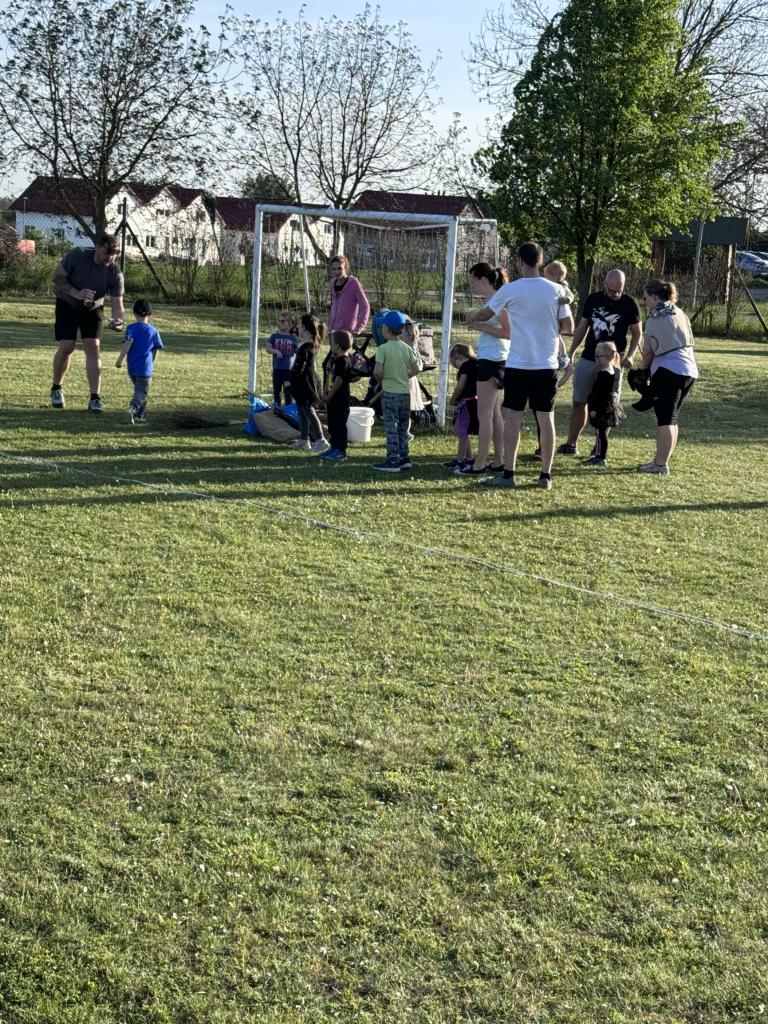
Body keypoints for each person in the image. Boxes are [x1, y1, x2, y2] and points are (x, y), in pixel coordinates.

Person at [469, 241, 572, 490]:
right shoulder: (557, 290)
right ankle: (545, 476)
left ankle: (509, 474)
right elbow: (568, 327)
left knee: (513, 418)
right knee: (546, 419)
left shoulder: (511, 289)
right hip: (546, 365)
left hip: (517, 364)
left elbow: (486, 313)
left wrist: (473, 317)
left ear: (519, 262)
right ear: (541, 262)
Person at [558, 269, 641, 455]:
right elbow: (582, 328)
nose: (615, 294)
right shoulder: (593, 299)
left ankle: (599, 448)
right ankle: (571, 444)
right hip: (589, 357)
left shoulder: (630, 303)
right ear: (605, 284)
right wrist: (571, 351)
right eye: (612, 291)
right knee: (579, 402)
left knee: (608, 405)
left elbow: (637, 333)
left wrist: (630, 355)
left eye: (619, 291)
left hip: (613, 361)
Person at [50, 233, 125, 412]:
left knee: (93, 346)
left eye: (115, 253)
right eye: (107, 252)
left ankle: (95, 398)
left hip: (93, 309)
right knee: (67, 346)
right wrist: (77, 293)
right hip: (67, 304)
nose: (111, 257)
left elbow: (118, 305)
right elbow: (57, 277)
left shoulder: (115, 273)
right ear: (97, 247)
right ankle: (56, 388)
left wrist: (119, 321)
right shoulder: (78, 255)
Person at [635, 279, 699, 474]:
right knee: (672, 417)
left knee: (665, 419)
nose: (644, 302)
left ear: (655, 297)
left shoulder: (655, 319)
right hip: (689, 369)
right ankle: (662, 460)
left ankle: (660, 464)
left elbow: (648, 352)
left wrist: (641, 369)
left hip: (668, 371)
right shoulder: (679, 312)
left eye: (646, 298)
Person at [460, 263, 509, 476]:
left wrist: (481, 327)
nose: (471, 285)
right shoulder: (491, 302)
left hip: (493, 361)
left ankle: (479, 463)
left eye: (472, 280)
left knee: (484, 414)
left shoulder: (499, 301)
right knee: (494, 414)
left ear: (483, 279)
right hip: (492, 358)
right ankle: (498, 460)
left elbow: (508, 332)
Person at [372, 310, 419, 472]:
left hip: (389, 393)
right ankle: (404, 458)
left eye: (382, 327)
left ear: (386, 329)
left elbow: (377, 371)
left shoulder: (382, 349)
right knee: (403, 427)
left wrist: (380, 379)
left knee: (391, 425)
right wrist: (405, 376)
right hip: (405, 394)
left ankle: (392, 459)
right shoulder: (406, 348)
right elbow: (416, 368)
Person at [114, 299, 164, 425]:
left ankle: (140, 416)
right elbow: (156, 349)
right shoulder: (153, 331)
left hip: (132, 367)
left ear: (134, 313)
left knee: (140, 391)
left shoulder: (131, 328)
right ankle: (132, 409)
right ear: (150, 315)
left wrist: (120, 359)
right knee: (141, 392)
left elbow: (127, 344)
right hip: (145, 368)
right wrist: (152, 363)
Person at [289, 314, 330, 453]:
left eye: (300, 325)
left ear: (305, 327)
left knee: (308, 410)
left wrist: (290, 380)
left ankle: (321, 440)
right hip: (305, 382)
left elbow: (299, 368)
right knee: (301, 410)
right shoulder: (310, 345)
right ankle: (304, 440)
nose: (297, 328)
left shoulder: (306, 347)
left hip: (305, 383)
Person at [583, 341, 624, 467]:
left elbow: (601, 394)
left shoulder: (604, 374)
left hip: (602, 408)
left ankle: (600, 457)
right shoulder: (611, 371)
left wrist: (595, 409)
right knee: (601, 433)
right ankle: (598, 454)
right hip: (605, 406)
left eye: (598, 356)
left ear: (608, 357)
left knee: (600, 433)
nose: (597, 359)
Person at [321, 330, 354, 462]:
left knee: (339, 424)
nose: (331, 346)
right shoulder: (335, 359)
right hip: (332, 399)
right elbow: (330, 376)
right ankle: (334, 447)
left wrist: (330, 395)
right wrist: (325, 391)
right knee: (332, 423)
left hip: (340, 399)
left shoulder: (344, 361)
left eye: (332, 343)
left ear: (338, 346)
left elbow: (338, 381)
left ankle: (341, 451)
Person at [446, 344, 479, 472]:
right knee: (464, 431)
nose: (455, 367)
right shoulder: (476, 364)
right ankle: (469, 458)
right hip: (475, 400)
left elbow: (460, 386)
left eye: (454, 363)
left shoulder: (465, 366)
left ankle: (460, 461)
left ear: (457, 356)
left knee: (462, 433)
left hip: (467, 402)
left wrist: (453, 398)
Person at [328, 254, 370, 336]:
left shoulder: (353, 283)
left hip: (348, 332)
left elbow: (365, 307)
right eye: (334, 269)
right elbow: (333, 307)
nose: (337, 272)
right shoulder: (332, 283)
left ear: (345, 268)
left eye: (340, 268)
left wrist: (359, 328)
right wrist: (330, 325)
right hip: (333, 331)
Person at [265, 311, 298, 406]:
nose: (279, 323)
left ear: (290, 324)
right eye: (279, 321)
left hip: (289, 370)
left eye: (283, 321)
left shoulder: (293, 338)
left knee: (288, 390)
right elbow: (268, 348)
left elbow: (297, 351)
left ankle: (288, 409)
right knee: (276, 390)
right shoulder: (274, 336)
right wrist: (276, 351)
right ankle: (277, 407)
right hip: (277, 369)